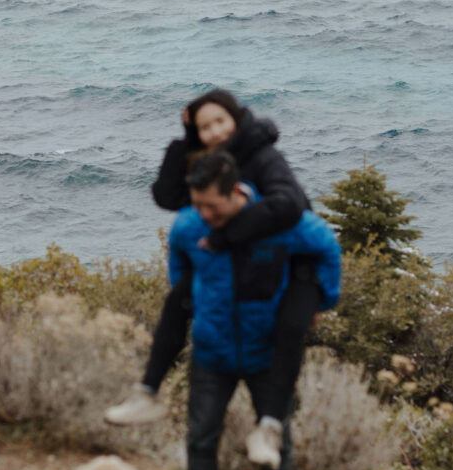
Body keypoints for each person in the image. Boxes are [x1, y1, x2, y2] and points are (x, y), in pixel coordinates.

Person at [105, 89, 314, 443]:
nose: (215, 132)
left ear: (236, 117)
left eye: (220, 121)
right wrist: (187, 140)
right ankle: (148, 393)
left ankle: (273, 426)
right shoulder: (212, 161)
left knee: (286, 331)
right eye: (205, 127)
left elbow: (293, 204)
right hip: (234, 260)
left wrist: (228, 235)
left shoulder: (262, 155)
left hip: (283, 258)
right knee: (178, 302)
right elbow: (168, 197)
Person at [167, 151, 341, 470]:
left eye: (212, 204)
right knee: (201, 438)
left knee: (276, 440)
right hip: (213, 350)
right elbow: (179, 268)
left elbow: (327, 247)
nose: (204, 213)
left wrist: (320, 299)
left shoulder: (278, 224)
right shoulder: (189, 226)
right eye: (198, 204)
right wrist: (192, 305)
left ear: (234, 193)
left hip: (268, 353)